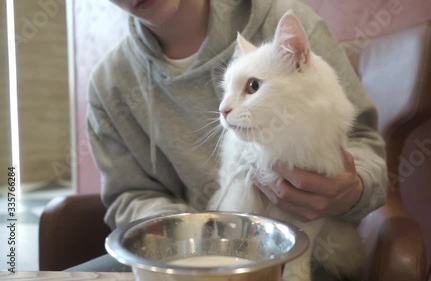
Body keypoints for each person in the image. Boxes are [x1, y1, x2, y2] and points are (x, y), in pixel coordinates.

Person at [72, 0, 389, 276]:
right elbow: (130, 196)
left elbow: (363, 143)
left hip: (310, 251)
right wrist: (193, 240)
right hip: (181, 252)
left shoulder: (289, 21)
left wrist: (352, 189)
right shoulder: (109, 83)